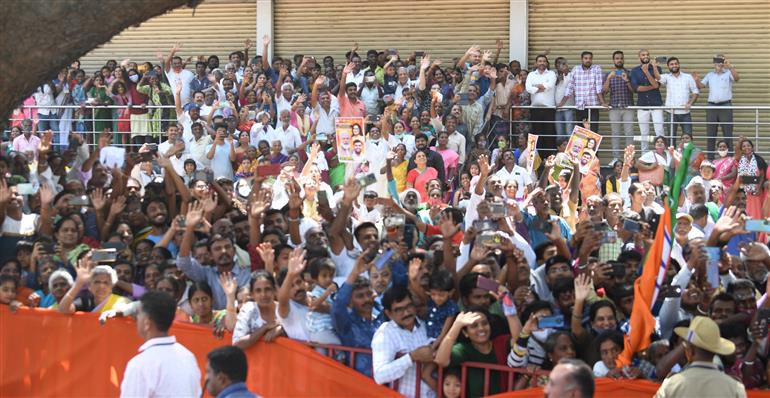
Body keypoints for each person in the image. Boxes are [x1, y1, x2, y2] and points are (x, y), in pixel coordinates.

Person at [120, 291, 202, 398]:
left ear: (147, 323)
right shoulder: (188, 356)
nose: (136, 319)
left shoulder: (140, 365)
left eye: (138, 314)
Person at [655, 316, 747, 398]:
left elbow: (660, 370)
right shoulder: (734, 387)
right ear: (716, 350)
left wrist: (688, 342)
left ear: (689, 349)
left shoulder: (672, 384)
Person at [371, 285, 435, 398]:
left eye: (409, 306)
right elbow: (380, 375)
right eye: (399, 309)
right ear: (389, 314)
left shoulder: (426, 326)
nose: (406, 313)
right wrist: (411, 357)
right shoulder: (386, 333)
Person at [695, 54, 740, 158]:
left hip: (725, 105)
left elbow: (737, 78)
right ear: (714, 63)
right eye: (716, 61)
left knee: (728, 133)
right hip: (711, 106)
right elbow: (701, 86)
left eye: (721, 60)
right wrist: (697, 79)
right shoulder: (710, 75)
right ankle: (710, 159)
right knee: (711, 134)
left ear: (724, 61)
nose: (719, 63)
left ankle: (729, 159)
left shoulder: (728, 73)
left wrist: (730, 67)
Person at [559, 51, 607, 133]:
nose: (588, 60)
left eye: (590, 58)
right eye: (586, 58)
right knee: (580, 134)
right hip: (580, 107)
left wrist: (602, 102)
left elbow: (598, 87)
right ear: (582, 59)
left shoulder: (596, 69)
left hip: (593, 107)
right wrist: (562, 103)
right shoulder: (576, 69)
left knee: (593, 133)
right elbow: (570, 87)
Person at [629, 49, 663, 151]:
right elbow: (637, 88)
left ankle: (662, 155)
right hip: (642, 105)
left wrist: (646, 72)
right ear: (639, 57)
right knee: (644, 133)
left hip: (656, 104)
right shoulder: (634, 71)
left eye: (647, 54)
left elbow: (658, 84)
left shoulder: (657, 68)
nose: (646, 56)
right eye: (643, 55)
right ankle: (644, 155)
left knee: (660, 131)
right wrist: (653, 86)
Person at [603, 51, 634, 159]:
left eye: (621, 58)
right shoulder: (609, 74)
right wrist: (608, 79)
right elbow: (605, 91)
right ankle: (616, 158)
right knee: (615, 133)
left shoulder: (629, 73)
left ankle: (629, 158)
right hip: (614, 107)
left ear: (623, 59)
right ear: (613, 60)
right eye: (617, 58)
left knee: (629, 133)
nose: (619, 60)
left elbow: (633, 90)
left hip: (627, 107)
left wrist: (627, 80)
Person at [658, 57, 699, 136]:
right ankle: (672, 149)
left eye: (676, 63)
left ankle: (686, 149)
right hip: (671, 113)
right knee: (671, 138)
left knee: (688, 136)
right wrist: (654, 67)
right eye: (671, 64)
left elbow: (695, 92)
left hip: (685, 112)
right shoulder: (667, 77)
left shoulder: (688, 77)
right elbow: (658, 78)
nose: (674, 65)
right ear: (668, 66)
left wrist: (690, 103)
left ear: (679, 64)